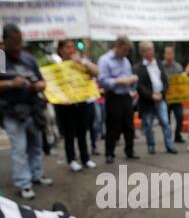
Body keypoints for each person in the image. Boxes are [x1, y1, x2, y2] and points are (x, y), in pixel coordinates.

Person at [0, 24, 53, 200]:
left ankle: (36, 175)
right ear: (5, 41)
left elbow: (42, 81)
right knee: (19, 148)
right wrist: (10, 84)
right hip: (11, 111)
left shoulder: (28, 59)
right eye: (13, 42)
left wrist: (39, 86)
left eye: (19, 41)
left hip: (32, 109)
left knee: (35, 145)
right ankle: (24, 183)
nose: (17, 45)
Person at [54, 39, 98, 172]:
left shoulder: (80, 65)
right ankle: (72, 159)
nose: (71, 50)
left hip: (82, 102)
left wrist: (82, 62)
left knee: (82, 132)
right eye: (67, 47)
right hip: (65, 105)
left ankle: (85, 158)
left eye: (73, 47)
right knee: (69, 134)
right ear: (61, 51)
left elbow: (96, 72)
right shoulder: (57, 69)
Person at [99, 36, 139, 165]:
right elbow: (103, 81)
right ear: (118, 46)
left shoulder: (125, 61)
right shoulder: (105, 60)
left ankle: (130, 150)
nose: (126, 53)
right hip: (113, 96)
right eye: (125, 50)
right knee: (112, 126)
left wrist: (132, 81)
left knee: (129, 125)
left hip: (126, 96)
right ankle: (109, 153)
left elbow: (129, 79)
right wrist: (118, 81)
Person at [134, 41, 178, 155]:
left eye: (152, 49)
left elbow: (164, 80)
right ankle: (151, 145)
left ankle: (169, 144)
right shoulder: (138, 67)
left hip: (161, 98)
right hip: (147, 101)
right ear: (143, 52)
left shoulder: (158, 63)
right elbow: (139, 86)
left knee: (165, 122)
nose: (152, 51)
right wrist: (151, 95)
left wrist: (162, 93)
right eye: (149, 49)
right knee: (148, 124)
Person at [162, 45, 185, 143]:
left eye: (170, 53)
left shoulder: (178, 66)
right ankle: (168, 138)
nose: (169, 55)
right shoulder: (160, 66)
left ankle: (177, 135)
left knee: (180, 116)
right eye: (167, 53)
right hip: (165, 97)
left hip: (176, 98)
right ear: (164, 54)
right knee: (166, 119)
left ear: (173, 54)